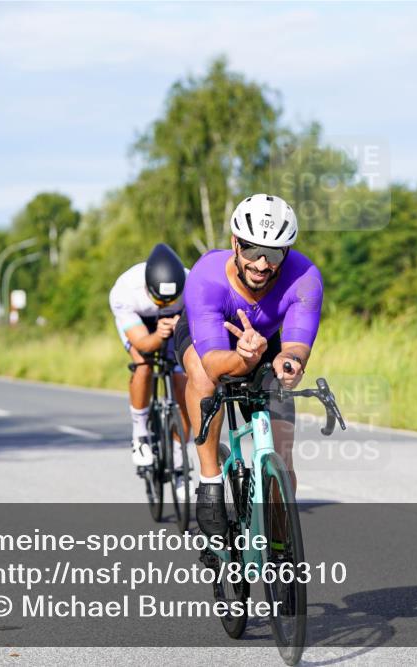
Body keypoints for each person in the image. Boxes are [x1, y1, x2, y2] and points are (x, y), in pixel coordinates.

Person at [173, 194, 323, 538]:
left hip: (261, 341)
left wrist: (291, 362)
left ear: (286, 253)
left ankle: (280, 546)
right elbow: (213, 365)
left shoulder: (305, 277)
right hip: (207, 339)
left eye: (273, 254)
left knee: (283, 460)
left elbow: (297, 343)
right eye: (252, 249)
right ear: (234, 244)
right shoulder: (206, 277)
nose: (261, 263)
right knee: (201, 374)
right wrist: (242, 357)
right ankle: (210, 479)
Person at [108, 244, 191, 496]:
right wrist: (160, 333)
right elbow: (143, 344)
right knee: (143, 364)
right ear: (147, 289)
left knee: (183, 379)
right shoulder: (125, 291)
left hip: (178, 322)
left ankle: (180, 460)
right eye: (158, 299)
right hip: (141, 325)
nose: (164, 303)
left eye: (170, 300)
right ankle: (140, 432)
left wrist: (182, 327)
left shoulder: (191, 285)